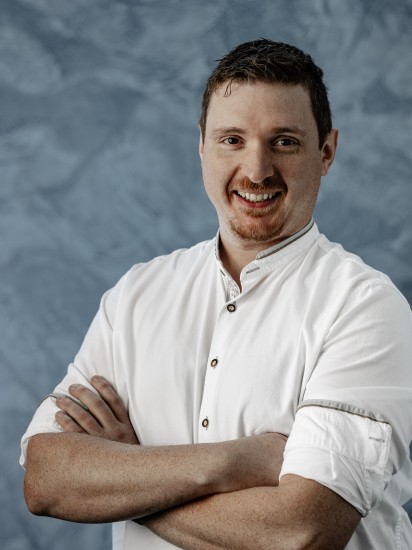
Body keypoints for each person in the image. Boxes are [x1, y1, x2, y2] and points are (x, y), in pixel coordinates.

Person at [21, 39, 412, 550]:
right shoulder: (137, 295)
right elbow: (46, 480)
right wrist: (235, 461)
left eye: (284, 142)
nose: (256, 170)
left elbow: (303, 531)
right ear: (201, 146)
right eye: (232, 140)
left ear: (326, 152)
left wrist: (128, 474)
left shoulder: (365, 308)